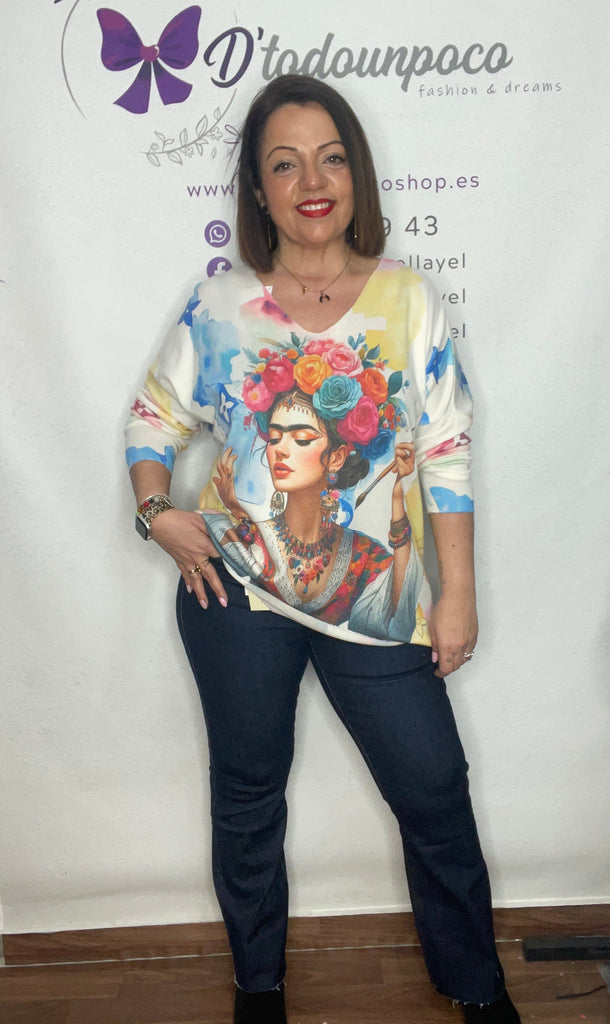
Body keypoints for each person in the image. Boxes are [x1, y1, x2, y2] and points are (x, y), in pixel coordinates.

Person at [126, 75, 521, 1024]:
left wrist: (456, 593)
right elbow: (152, 419)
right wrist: (158, 512)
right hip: (235, 594)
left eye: (331, 157)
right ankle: (258, 987)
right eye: (285, 163)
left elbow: (446, 452)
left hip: (373, 595)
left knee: (433, 788)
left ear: (356, 174)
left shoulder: (408, 299)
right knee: (248, 793)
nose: (312, 181)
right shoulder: (219, 305)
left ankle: (477, 988)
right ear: (259, 191)